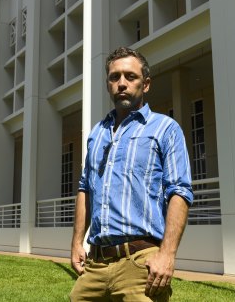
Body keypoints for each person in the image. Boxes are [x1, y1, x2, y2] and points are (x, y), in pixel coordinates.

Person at [70, 47, 193, 301]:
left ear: (145, 84)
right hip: (96, 264)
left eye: (130, 76)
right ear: (108, 84)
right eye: (115, 77)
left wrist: (167, 255)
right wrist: (76, 243)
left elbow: (180, 192)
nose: (122, 83)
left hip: (140, 263)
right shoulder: (97, 133)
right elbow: (85, 188)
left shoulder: (165, 129)